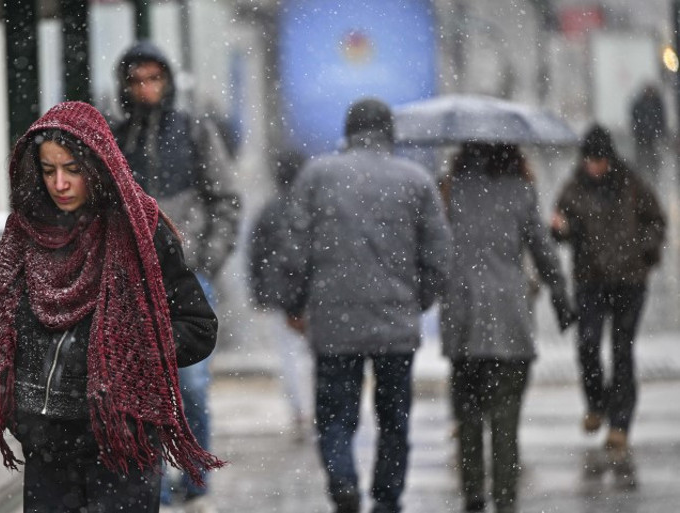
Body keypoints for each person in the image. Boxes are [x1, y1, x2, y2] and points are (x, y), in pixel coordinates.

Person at [0, 101, 224, 513]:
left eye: (72, 169)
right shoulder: (25, 235)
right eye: (48, 170)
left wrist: (127, 353)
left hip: (123, 445)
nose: (59, 183)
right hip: (48, 447)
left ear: (97, 166)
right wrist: (25, 417)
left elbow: (197, 327)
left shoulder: (140, 231)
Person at [278, 98, 452, 513]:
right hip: (395, 322)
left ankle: (343, 481)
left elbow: (293, 248)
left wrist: (295, 303)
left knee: (335, 415)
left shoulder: (317, 175)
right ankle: (387, 499)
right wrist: (417, 300)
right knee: (394, 419)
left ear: (349, 131)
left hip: (333, 321)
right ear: (389, 132)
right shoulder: (416, 180)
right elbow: (439, 255)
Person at [112, 41, 241, 512]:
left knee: (191, 384)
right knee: (140, 385)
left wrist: (205, 259)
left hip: (187, 279)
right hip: (130, 282)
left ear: (167, 81)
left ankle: (193, 472)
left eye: (154, 79)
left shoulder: (193, 132)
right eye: (137, 80)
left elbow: (225, 199)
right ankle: (155, 482)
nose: (146, 89)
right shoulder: (116, 138)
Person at [439, 142, 575, 513]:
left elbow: (433, 250)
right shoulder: (520, 190)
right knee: (505, 419)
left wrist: (434, 290)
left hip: (463, 322)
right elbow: (542, 249)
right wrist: (560, 294)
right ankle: (504, 498)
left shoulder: (450, 189)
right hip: (509, 321)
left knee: (468, 417)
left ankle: (473, 494)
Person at [551, 124, 666, 486]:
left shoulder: (631, 184)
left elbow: (656, 220)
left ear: (609, 158)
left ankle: (620, 424)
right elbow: (561, 229)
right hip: (590, 280)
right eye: (589, 159)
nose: (594, 166)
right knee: (587, 344)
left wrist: (645, 251)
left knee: (622, 350)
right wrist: (559, 228)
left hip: (629, 281)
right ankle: (596, 404)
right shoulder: (573, 188)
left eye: (599, 159)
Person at [248, 149, 311, 441]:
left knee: (289, 357)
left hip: (278, 296)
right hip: (311, 296)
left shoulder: (269, 210)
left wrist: (259, 293)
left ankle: (299, 411)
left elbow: (255, 255)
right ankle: (312, 409)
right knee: (310, 356)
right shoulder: (311, 208)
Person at [630, 84, 666, 178]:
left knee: (652, 158)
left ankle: (653, 174)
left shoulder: (656, 103)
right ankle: (643, 174)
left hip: (651, 136)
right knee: (642, 157)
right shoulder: (644, 104)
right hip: (642, 136)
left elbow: (661, 119)